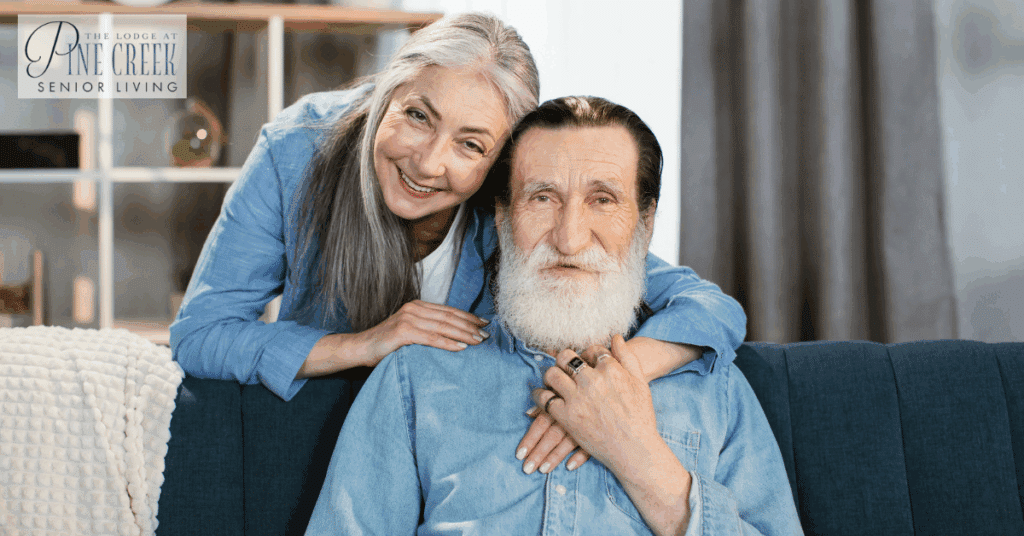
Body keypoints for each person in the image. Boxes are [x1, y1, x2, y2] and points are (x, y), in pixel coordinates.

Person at [169, 13, 745, 470]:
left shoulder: (519, 209)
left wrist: (608, 385)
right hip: (321, 435)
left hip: (467, 451)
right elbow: (200, 334)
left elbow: (710, 308)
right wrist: (365, 343)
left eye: (471, 146)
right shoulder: (293, 154)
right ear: (386, 96)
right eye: (417, 115)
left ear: (500, 165)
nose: (427, 162)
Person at [304, 96, 802, 535]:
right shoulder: (414, 378)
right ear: (502, 218)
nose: (569, 238)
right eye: (542, 198)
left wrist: (640, 459)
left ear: (644, 225)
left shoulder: (714, 388)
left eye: (602, 200)